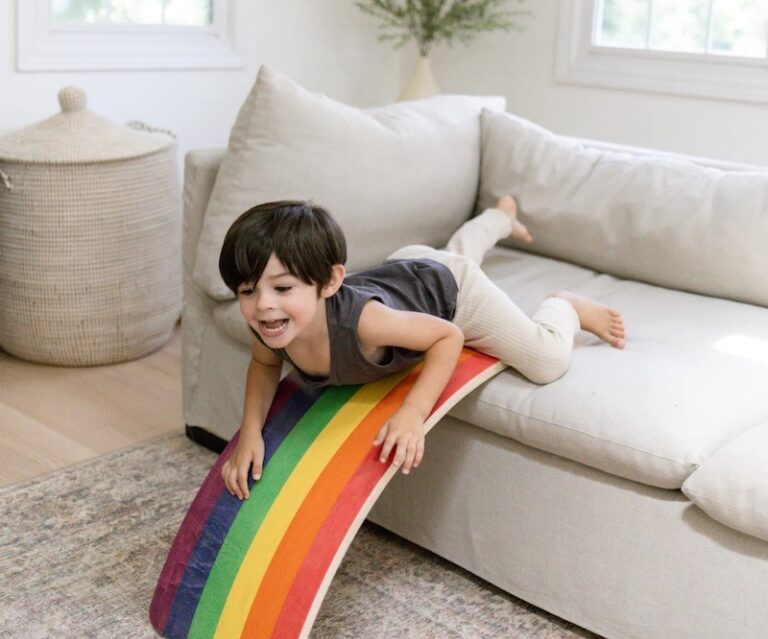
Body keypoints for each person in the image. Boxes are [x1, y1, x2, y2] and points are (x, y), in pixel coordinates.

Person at [218, 198, 626, 500]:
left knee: (546, 360)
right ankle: (499, 218)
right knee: (443, 259)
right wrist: (249, 434)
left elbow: (447, 337)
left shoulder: (364, 322)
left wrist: (413, 414)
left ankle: (565, 306)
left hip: (452, 293)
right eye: (248, 291)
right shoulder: (271, 323)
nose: (263, 304)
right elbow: (262, 365)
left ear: (328, 283)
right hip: (408, 271)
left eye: (283, 288)